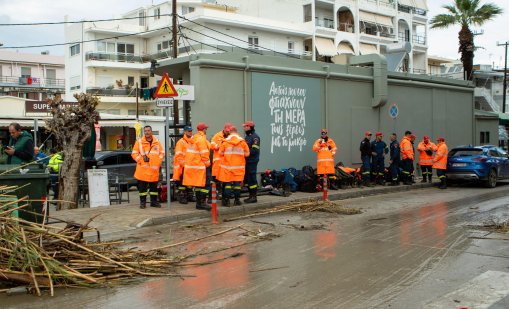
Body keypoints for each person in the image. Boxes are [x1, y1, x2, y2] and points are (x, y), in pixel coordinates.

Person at [131, 125, 164, 209]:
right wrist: (141, 160)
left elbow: (161, 153)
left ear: (151, 131)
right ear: (144, 132)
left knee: (154, 189)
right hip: (143, 170)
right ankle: (143, 203)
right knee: (142, 189)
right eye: (145, 131)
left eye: (148, 130)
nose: (147, 132)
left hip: (153, 170)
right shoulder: (139, 142)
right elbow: (134, 154)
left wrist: (157, 162)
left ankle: (154, 202)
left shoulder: (157, 142)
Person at [217, 126, 250, 206]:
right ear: (236, 132)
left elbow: (220, 154)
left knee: (227, 184)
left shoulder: (225, 142)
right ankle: (237, 200)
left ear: (230, 132)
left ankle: (227, 201)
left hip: (227, 167)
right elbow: (247, 154)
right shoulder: (242, 142)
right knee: (237, 185)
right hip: (238, 168)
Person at [183, 122, 211, 210]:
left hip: (195, 166)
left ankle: (199, 203)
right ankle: (202, 203)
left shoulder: (194, 138)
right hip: (201, 166)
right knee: (206, 185)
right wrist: (208, 164)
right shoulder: (201, 139)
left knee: (199, 185)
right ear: (204, 130)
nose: (206, 130)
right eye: (206, 129)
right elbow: (204, 153)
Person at [172, 126, 194, 204]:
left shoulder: (192, 142)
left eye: (191, 131)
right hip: (183, 166)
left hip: (190, 166)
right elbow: (178, 155)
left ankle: (190, 196)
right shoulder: (181, 142)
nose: (190, 132)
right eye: (188, 131)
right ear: (184, 132)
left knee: (190, 183)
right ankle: (182, 197)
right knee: (182, 183)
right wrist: (184, 165)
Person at [211, 123, 232, 199]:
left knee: (225, 179)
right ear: (224, 129)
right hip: (217, 162)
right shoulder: (217, 135)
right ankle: (213, 195)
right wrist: (219, 146)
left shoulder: (231, 136)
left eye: (229, 131)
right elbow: (212, 144)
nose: (228, 132)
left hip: (226, 162)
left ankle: (223, 195)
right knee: (215, 179)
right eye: (227, 131)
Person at [243, 121, 261, 203]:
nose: (244, 128)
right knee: (248, 179)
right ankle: (250, 196)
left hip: (252, 161)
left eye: (246, 126)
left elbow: (255, 150)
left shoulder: (255, 137)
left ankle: (254, 197)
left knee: (252, 178)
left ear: (250, 127)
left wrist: (245, 153)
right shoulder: (247, 137)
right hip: (247, 161)